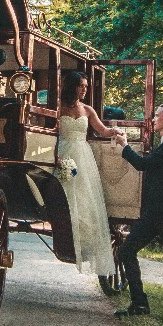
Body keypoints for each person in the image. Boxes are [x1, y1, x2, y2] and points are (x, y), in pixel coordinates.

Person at [113, 102, 163, 326]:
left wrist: (125, 145)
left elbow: (142, 165)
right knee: (127, 250)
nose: (153, 119)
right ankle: (139, 304)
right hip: (156, 212)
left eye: (157, 116)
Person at [56, 71, 122, 278]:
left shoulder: (87, 109)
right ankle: (64, 224)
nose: (85, 89)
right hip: (63, 152)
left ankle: (82, 238)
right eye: (81, 86)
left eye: (86, 86)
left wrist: (117, 132)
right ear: (72, 86)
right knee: (65, 189)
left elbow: (102, 131)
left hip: (82, 156)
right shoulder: (58, 107)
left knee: (84, 195)